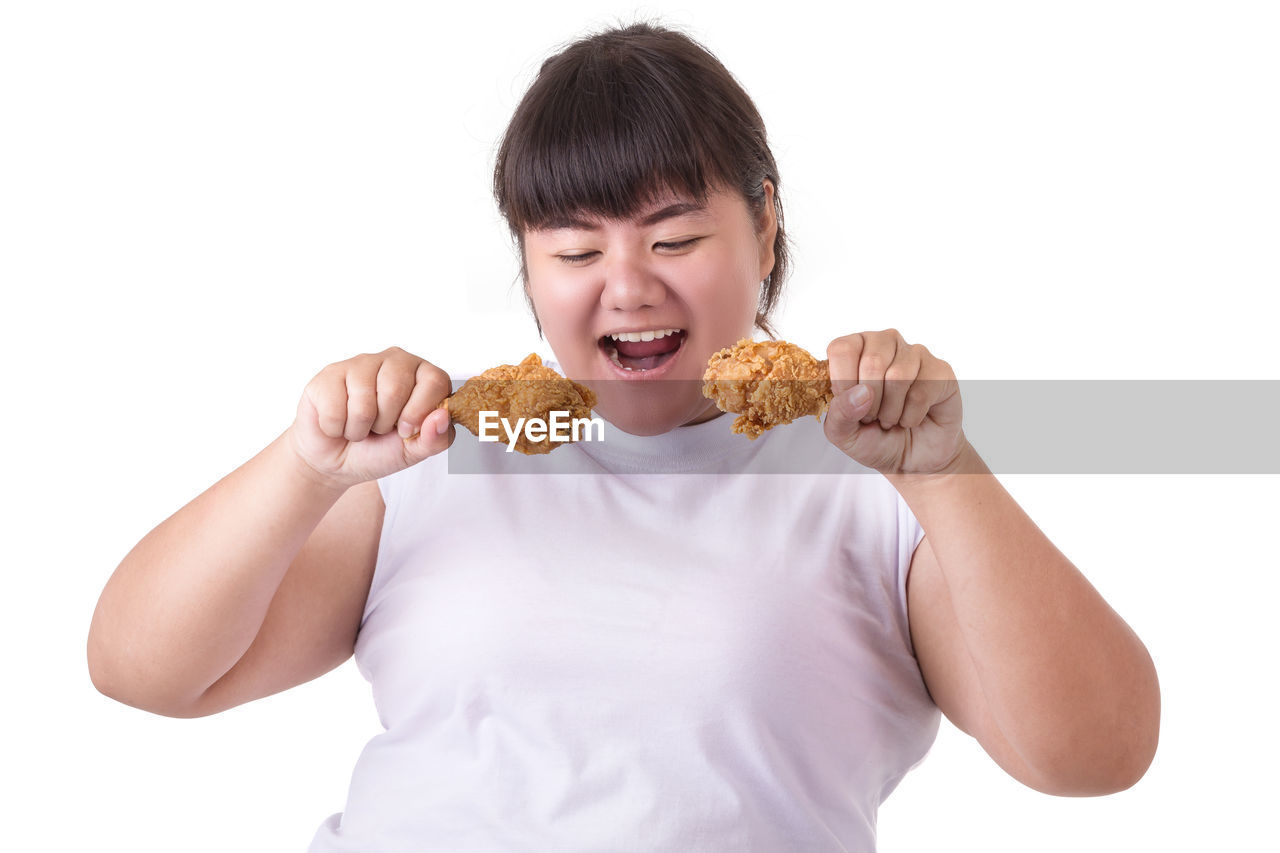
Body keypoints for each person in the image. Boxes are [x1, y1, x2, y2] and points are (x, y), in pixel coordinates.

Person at [87, 22, 1160, 852]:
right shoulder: (429, 455)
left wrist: (945, 472)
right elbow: (143, 671)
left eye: (676, 236)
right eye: (571, 250)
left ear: (766, 226)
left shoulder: (866, 482)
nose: (627, 286)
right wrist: (304, 467)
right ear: (524, 258)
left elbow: (1093, 756)